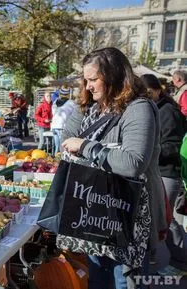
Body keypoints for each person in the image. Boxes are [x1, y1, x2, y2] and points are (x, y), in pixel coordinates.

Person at [61, 47, 167, 289]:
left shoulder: (139, 109)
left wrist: (87, 146)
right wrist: (82, 103)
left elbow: (132, 163)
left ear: (114, 76)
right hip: (96, 217)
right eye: (85, 80)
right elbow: (67, 139)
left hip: (127, 221)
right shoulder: (96, 107)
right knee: (98, 280)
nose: (88, 86)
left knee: (125, 282)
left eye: (93, 80)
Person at [141, 74, 187, 271]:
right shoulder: (153, 108)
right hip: (157, 172)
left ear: (158, 90)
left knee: (165, 218)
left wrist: (149, 152)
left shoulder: (168, 111)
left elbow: (173, 146)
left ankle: (180, 260)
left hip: (168, 173)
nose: (146, 97)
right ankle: (154, 257)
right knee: (156, 216)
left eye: (149, 93)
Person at [51, 88, 75, 154]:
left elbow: (53, 113)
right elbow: (75, 114)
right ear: (68, 94)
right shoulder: (71, 102)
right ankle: (61, 161)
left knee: (57, 146)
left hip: (54, 126)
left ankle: (55, 160)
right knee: (63, 147)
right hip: (62, 126)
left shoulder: (55, 102)